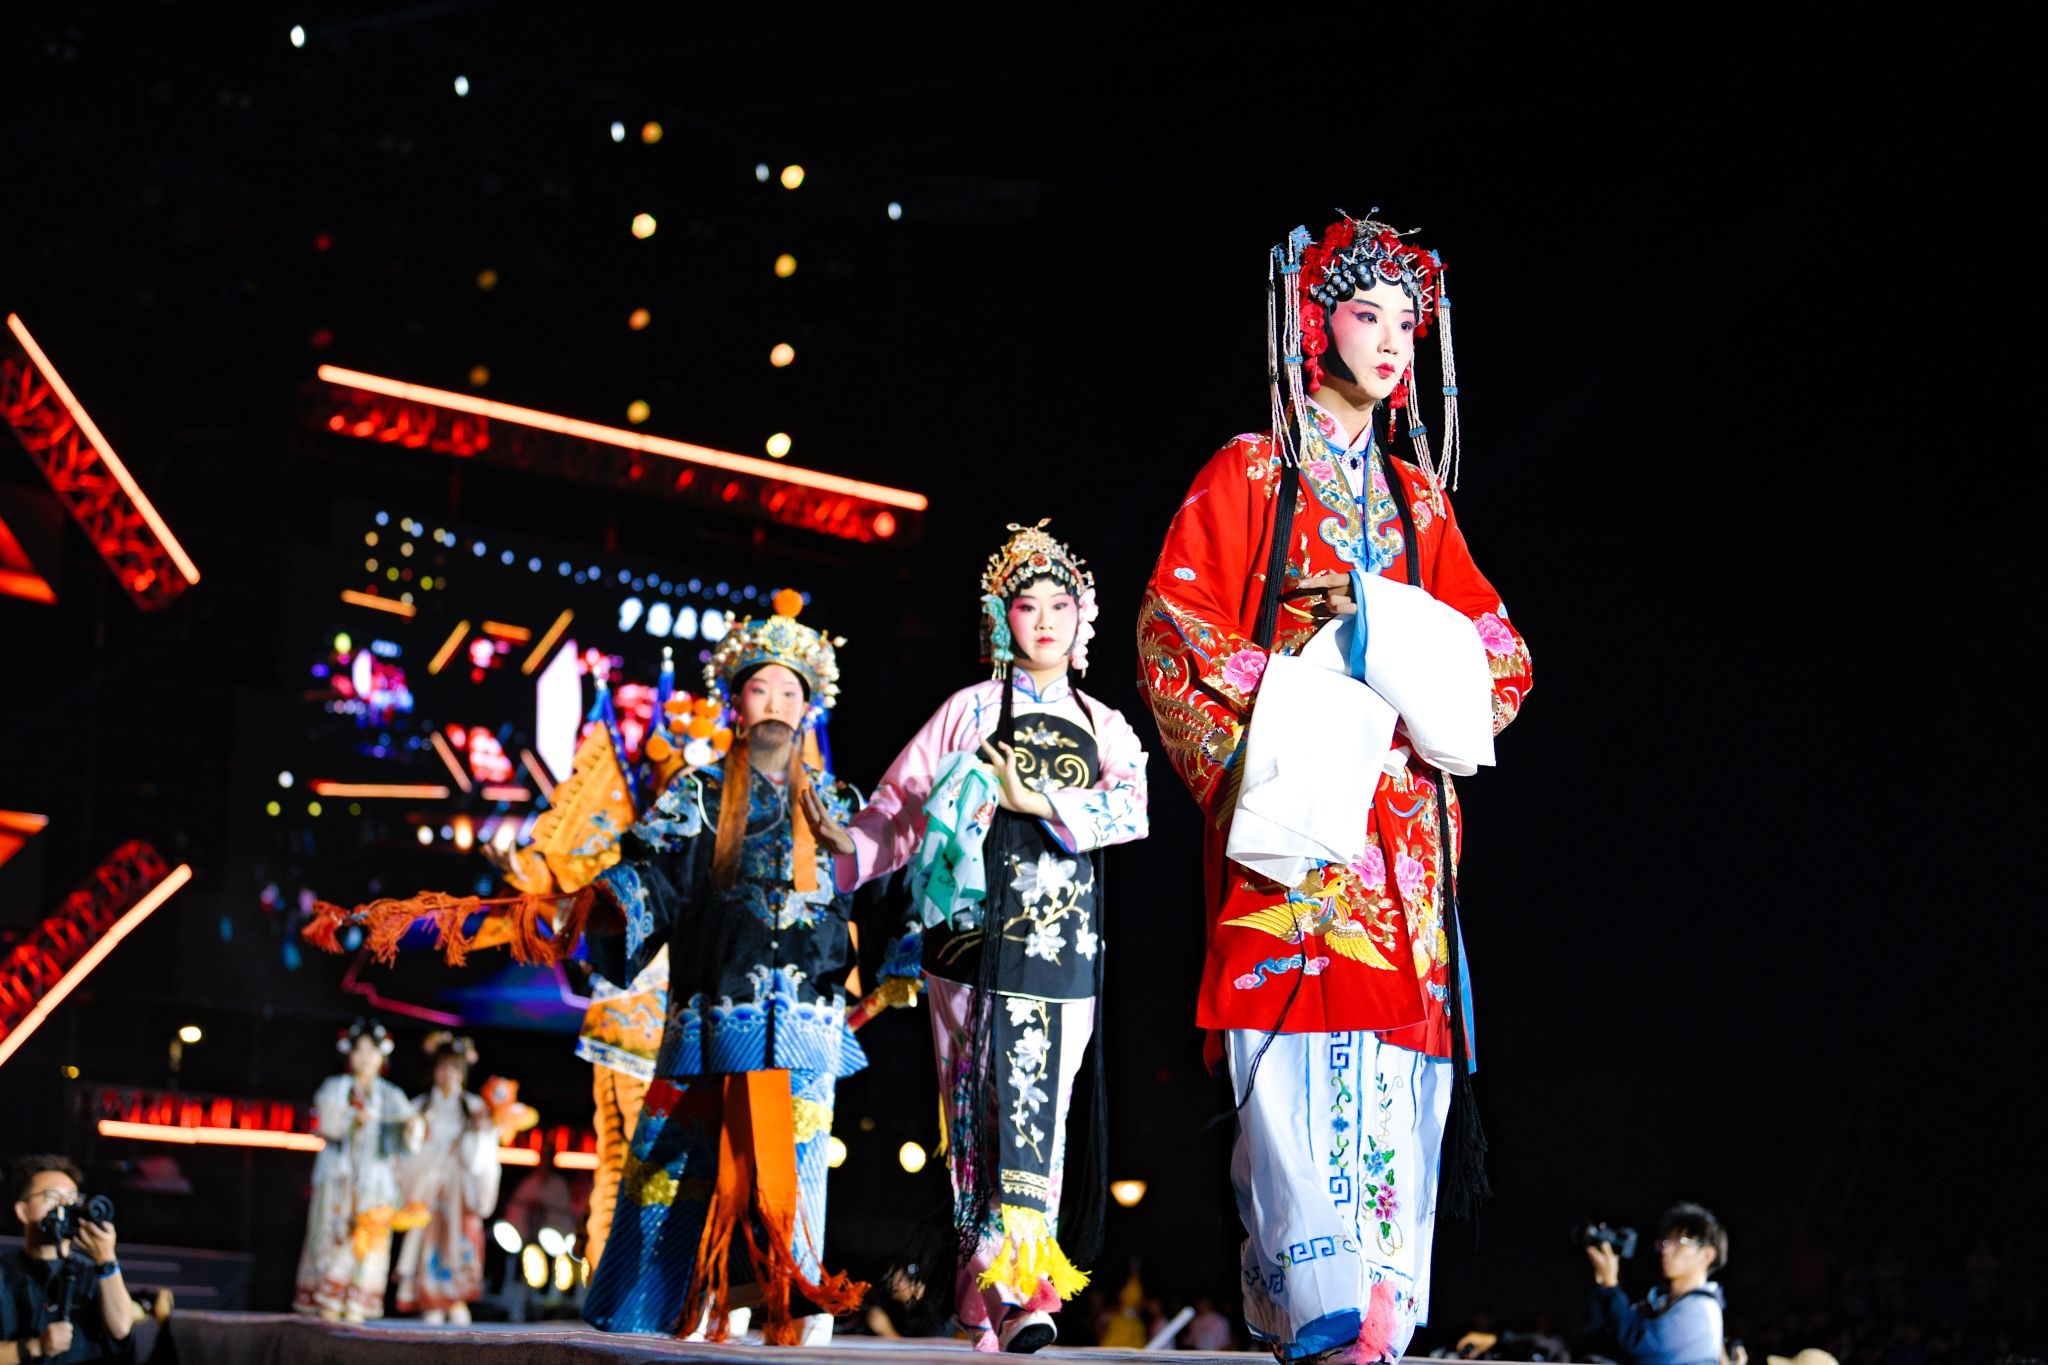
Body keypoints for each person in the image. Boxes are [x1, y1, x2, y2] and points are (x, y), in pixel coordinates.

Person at [1135, 212, 1533, 1363]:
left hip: (1399, 829)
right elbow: (1172, 626)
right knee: (1285, 1042)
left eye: (1408, 322)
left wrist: (1394, 642)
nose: (1393, 341)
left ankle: (1382, 1301)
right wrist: (1304, 690)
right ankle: (1310, 1286)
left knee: (1400, 1062)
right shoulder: (1249, 471)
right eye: (1368, 314)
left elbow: (1499, 653)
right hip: (1297, 797)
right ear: (1314, 325)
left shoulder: (1417, 500)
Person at [814, 521, 1150, 1354]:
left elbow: (1133, 807)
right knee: (977, 1113)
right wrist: (839, 849)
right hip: (966, 943)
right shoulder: (965, 712)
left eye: (1060, 604)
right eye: (1027, 605)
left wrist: (1040, 802)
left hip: (1059, 945)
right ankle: (1003, 1292)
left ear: (1083, 616)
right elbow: (898, 808)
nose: (1046, 620)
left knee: (1041, 1110)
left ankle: (1007, 1291)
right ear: (1003, 619)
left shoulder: (1105, 723)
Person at [577, 594, 877, 1346]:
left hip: (805, 1019)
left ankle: (787, 1296)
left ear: (808, 707)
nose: (775, 702)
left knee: (797, 1163)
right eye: (759, 688)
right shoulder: (696, 793)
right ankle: (653, 1306)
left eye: (790, 691)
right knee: (672, 1163)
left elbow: (879, 886)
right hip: (713, 1011)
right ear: (735, 704)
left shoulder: (838, 802)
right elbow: (655, 873)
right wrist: (614, 900)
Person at [292, 1018, 424, 1321]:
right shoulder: (334, 1088)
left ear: (382, 1056)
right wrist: (353, 1118)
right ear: (349, 1054)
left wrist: (412, 1127)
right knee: (330, 1236)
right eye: (359, 1049)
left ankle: (357, 1300)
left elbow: (408, 1141)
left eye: (372, 1050)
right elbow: (325, 1125)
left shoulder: (392, 1096)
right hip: (338, 1180)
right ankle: (326, 1296)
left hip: (375, 1183)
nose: (365, 1057)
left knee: (368, 1241)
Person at [394, 1033, 502, 1323]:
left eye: (454, 1068)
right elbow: (406, 1151)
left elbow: (480, 1159)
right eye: (442, 1067)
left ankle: (456, 1299)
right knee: (429, 1239)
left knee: (462, 1238)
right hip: (429, 1188)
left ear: (462, 1072)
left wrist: (478, 1132)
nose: (447, 1074)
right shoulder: (419, 1107)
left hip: (461, 1190)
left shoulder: (475, 1107)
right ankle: (431, 1300)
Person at [0, 1155, 134, 1362]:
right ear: (23, 1211)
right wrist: (36, 1346)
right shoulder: (4, 1273)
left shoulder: (93, 1273)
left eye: (72, 1200)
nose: (63, 1208)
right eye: (51, 1198)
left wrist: (107, 1259)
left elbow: (121, 1330)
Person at [1584, 1203, 1729, 1365]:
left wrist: (1610, 1285)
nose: (1666, 1251)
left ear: (1707, 1255)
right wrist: (1603, 1283)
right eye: (1665, 1243)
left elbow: (1642, 1347)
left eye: (1679, 1243)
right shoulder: (1662, 1303)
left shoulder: (1701, 1310)